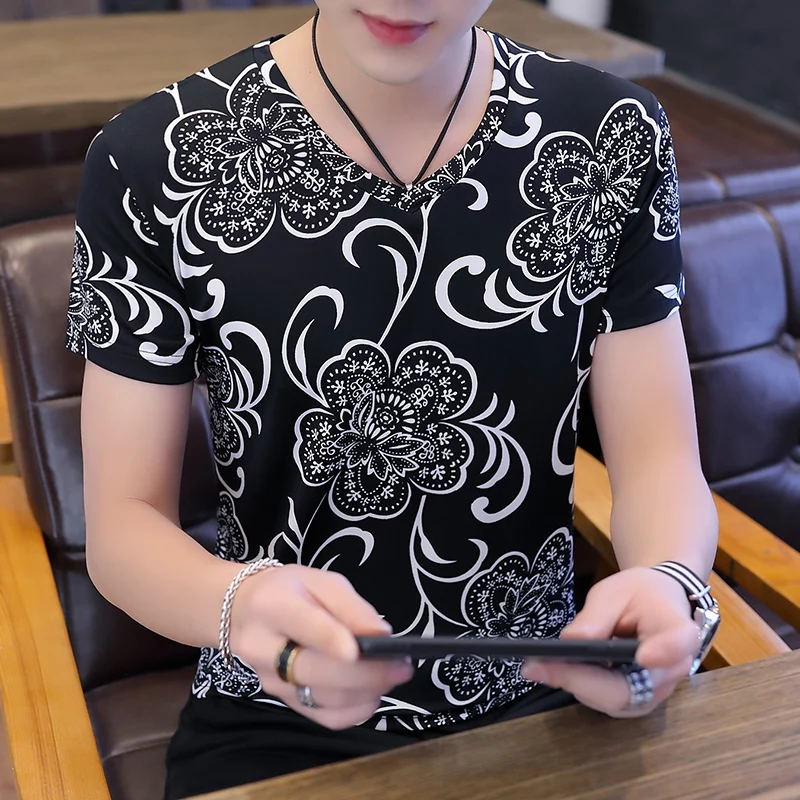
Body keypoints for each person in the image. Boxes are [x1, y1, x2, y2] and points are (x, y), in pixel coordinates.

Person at [67, 2, 720, 797]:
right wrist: (240, 605)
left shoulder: (611, 131)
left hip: (551, 689)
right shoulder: (152, 157)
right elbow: (123, 525)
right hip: (276, 706)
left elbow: (659, 463)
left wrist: (669, 582)